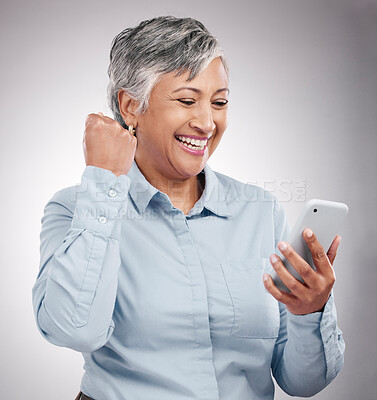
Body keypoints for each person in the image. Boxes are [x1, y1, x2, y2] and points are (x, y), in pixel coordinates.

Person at [32, 15, 345, 400]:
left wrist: (309, 311)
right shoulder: (75, 208)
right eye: (186, 100)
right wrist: (103, 181)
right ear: (130, 106)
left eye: (219, 102)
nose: (207, 122)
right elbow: (72, 329)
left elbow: (303, 382)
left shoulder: (260, 212)